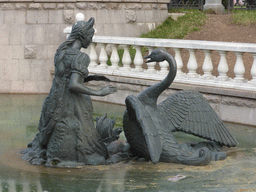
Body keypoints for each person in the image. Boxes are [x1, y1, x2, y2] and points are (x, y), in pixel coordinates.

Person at [21, 17, 117, 166]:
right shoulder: (80, 57)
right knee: (87, 139)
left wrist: (89, 78)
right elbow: (73, 85)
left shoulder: (62, 51)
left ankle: (48, 151)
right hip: (71, 103)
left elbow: (66, 79)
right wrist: (99, 92)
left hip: (55, 99)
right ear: (82, 36)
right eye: (90, 37)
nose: (91, 41)